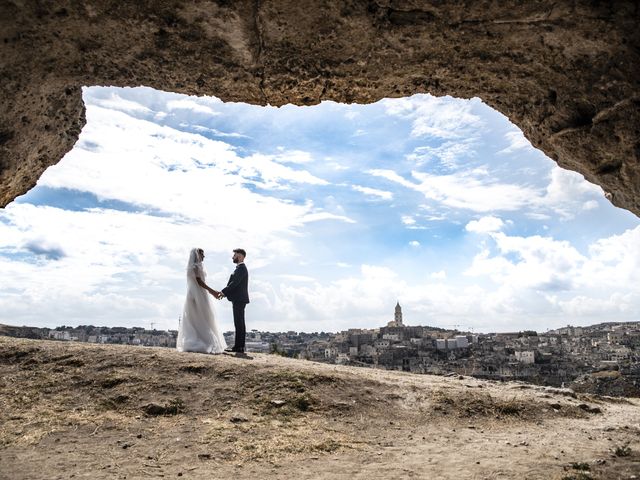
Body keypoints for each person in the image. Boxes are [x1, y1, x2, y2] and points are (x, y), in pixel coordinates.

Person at [176, 248, 227, 354]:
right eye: (202, 254)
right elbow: (199, 281)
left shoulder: (193, 266)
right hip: (197, 295)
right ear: (197, 255)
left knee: (197, 318)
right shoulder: (195, 266)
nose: (204, 256)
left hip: (194, 294)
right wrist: (212, 291)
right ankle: (201, 341)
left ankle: (196, 340)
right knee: (202, 317)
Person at [214, 248, 249, 353]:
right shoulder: (240, 268)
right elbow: (234, 284)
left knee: (239, 323)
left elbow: (234, 283)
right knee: (239, 323)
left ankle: (239, 347)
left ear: (240, 256)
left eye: (234, 255)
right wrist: (224, 293)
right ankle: (239, 347)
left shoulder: (241, 269)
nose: (232, 257)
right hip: (239, 299)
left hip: (239, 299)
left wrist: (223, 292)